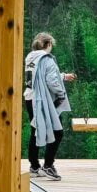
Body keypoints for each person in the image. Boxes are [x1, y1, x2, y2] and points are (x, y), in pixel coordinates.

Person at [24, 32, 76, 182]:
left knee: (35, 130)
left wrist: (64, 76)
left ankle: (34, 166)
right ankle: (48, 165)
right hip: (43, 101)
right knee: (57, 132)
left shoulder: (31, 58)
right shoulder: (47, 59)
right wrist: (61, 94)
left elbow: (39, 77)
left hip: (30, 97)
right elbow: (51, 81)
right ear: (48, 44)